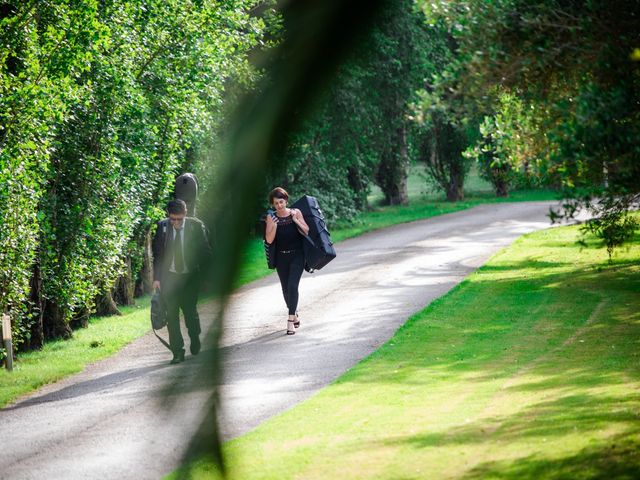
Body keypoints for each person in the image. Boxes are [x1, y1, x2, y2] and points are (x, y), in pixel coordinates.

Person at [152, 199, 211, 364]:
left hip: (190, 278)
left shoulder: (196, 226)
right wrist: (157, 278)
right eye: (173, 219)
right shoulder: (163, 228)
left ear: (185, 213)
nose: (176, 222)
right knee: (171, 315)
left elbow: (206, 252)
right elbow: (157, 255)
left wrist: (206, 278)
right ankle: (177, 352)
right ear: (168, 216)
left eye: (179, 218)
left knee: (190, 313)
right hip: (169, 278)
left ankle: (195, 337)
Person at [264, 187, 310, 335]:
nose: (279, 206)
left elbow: (306, 230)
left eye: (281, 202)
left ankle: (290, 321)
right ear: (273, 204)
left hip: (298, 255)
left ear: (286, 201)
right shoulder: (271, 218)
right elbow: (269, 240)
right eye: (276, 203)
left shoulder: (295, 212)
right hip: (281, 257)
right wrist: (275, 226)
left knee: (292, 285)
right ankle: (294, 313)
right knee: (285, 289)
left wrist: (296, 221)